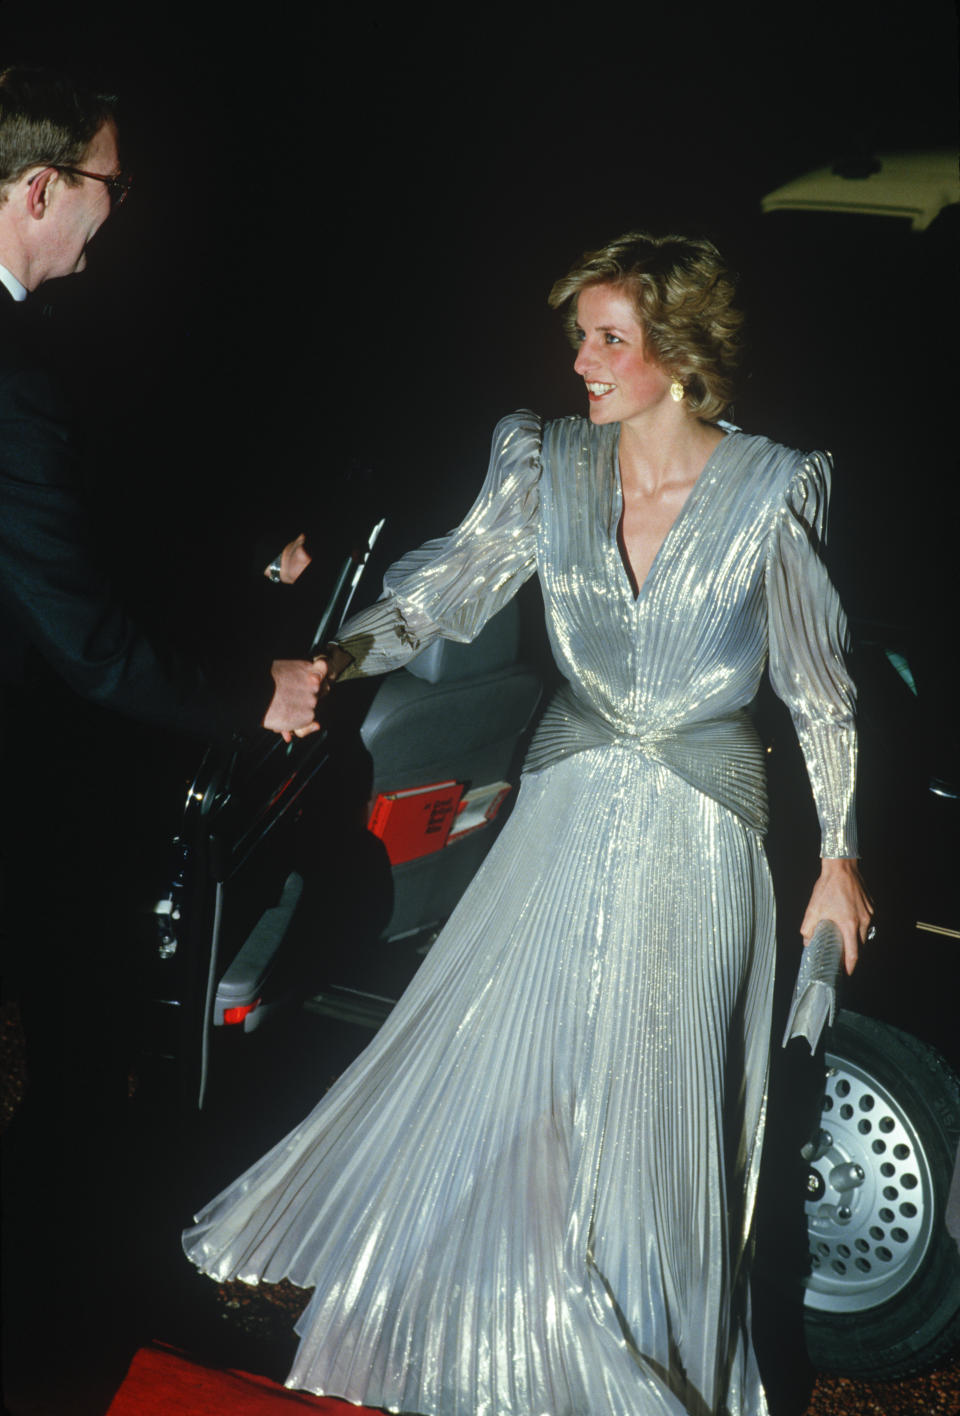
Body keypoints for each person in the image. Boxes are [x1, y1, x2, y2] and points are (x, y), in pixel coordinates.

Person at [182, 232, 873, 1416]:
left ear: (683, 352)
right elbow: (443, 592)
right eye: (580, 339)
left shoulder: (771, 488)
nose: (585, 363)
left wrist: (840, 858)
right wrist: (332, 660)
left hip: (705, 847)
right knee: (523, 1083)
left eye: (612, 339)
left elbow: (821, 690)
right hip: (561, 817)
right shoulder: (546, 464)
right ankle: (518, 1357)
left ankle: (646, 1355)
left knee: (658, 1116)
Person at [0, 65, 323, 744]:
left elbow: (79, 515)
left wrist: (252, 554)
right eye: (111, 184)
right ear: (41, 190)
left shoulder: (30, 345)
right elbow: (91, 649)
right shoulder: (12, 378)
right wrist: (255, 697)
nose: (118, 206)